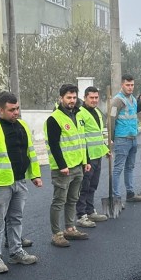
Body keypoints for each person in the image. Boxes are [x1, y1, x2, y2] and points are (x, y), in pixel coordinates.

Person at [0, 92, 42, 273]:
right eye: (12, 110)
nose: (16, 113)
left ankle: (16, 252)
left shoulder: (22, 126)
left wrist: (35, 175)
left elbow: (30, 152)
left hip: (20, 181)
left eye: (17, 109)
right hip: (0, 183)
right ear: (0, 110)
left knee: (16, 218)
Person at [46, 84, 91, 247]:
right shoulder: (54, 119)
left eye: (74, 97)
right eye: (68, 97)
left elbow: (82, 140)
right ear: (61, 98)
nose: (72, 100)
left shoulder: (78, 115)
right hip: (63, 169)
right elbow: (54, 144)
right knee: (59, 201)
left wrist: (86, 161)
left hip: (78, 165)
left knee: (72, 199)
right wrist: (62, 165)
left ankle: (70, 229)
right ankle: (57, 234)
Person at [76, 86, 112, 227]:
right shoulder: (80, 114)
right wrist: (84, 159)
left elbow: (97, 135)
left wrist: (105, 149)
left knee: (93, 185)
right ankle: (81, 215)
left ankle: (90, 211)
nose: (94, 100)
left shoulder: (97, 112)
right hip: (88, 156)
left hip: (97, 155)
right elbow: (81, 137)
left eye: (96, 97)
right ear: (85, 98)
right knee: (84, 186)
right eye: (91, 97)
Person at [109, 75, 141, 204]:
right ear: (122, 85)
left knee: (130, 167)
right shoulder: (117, 101)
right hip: (122, 139)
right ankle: (116, 197)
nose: (130, 87)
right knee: (118, 168)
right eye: (127, 85)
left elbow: (134, 114)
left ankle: (130, 193)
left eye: (132, 85)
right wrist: (111, 138)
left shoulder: (133, 99)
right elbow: (111, 119)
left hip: (133, 137)